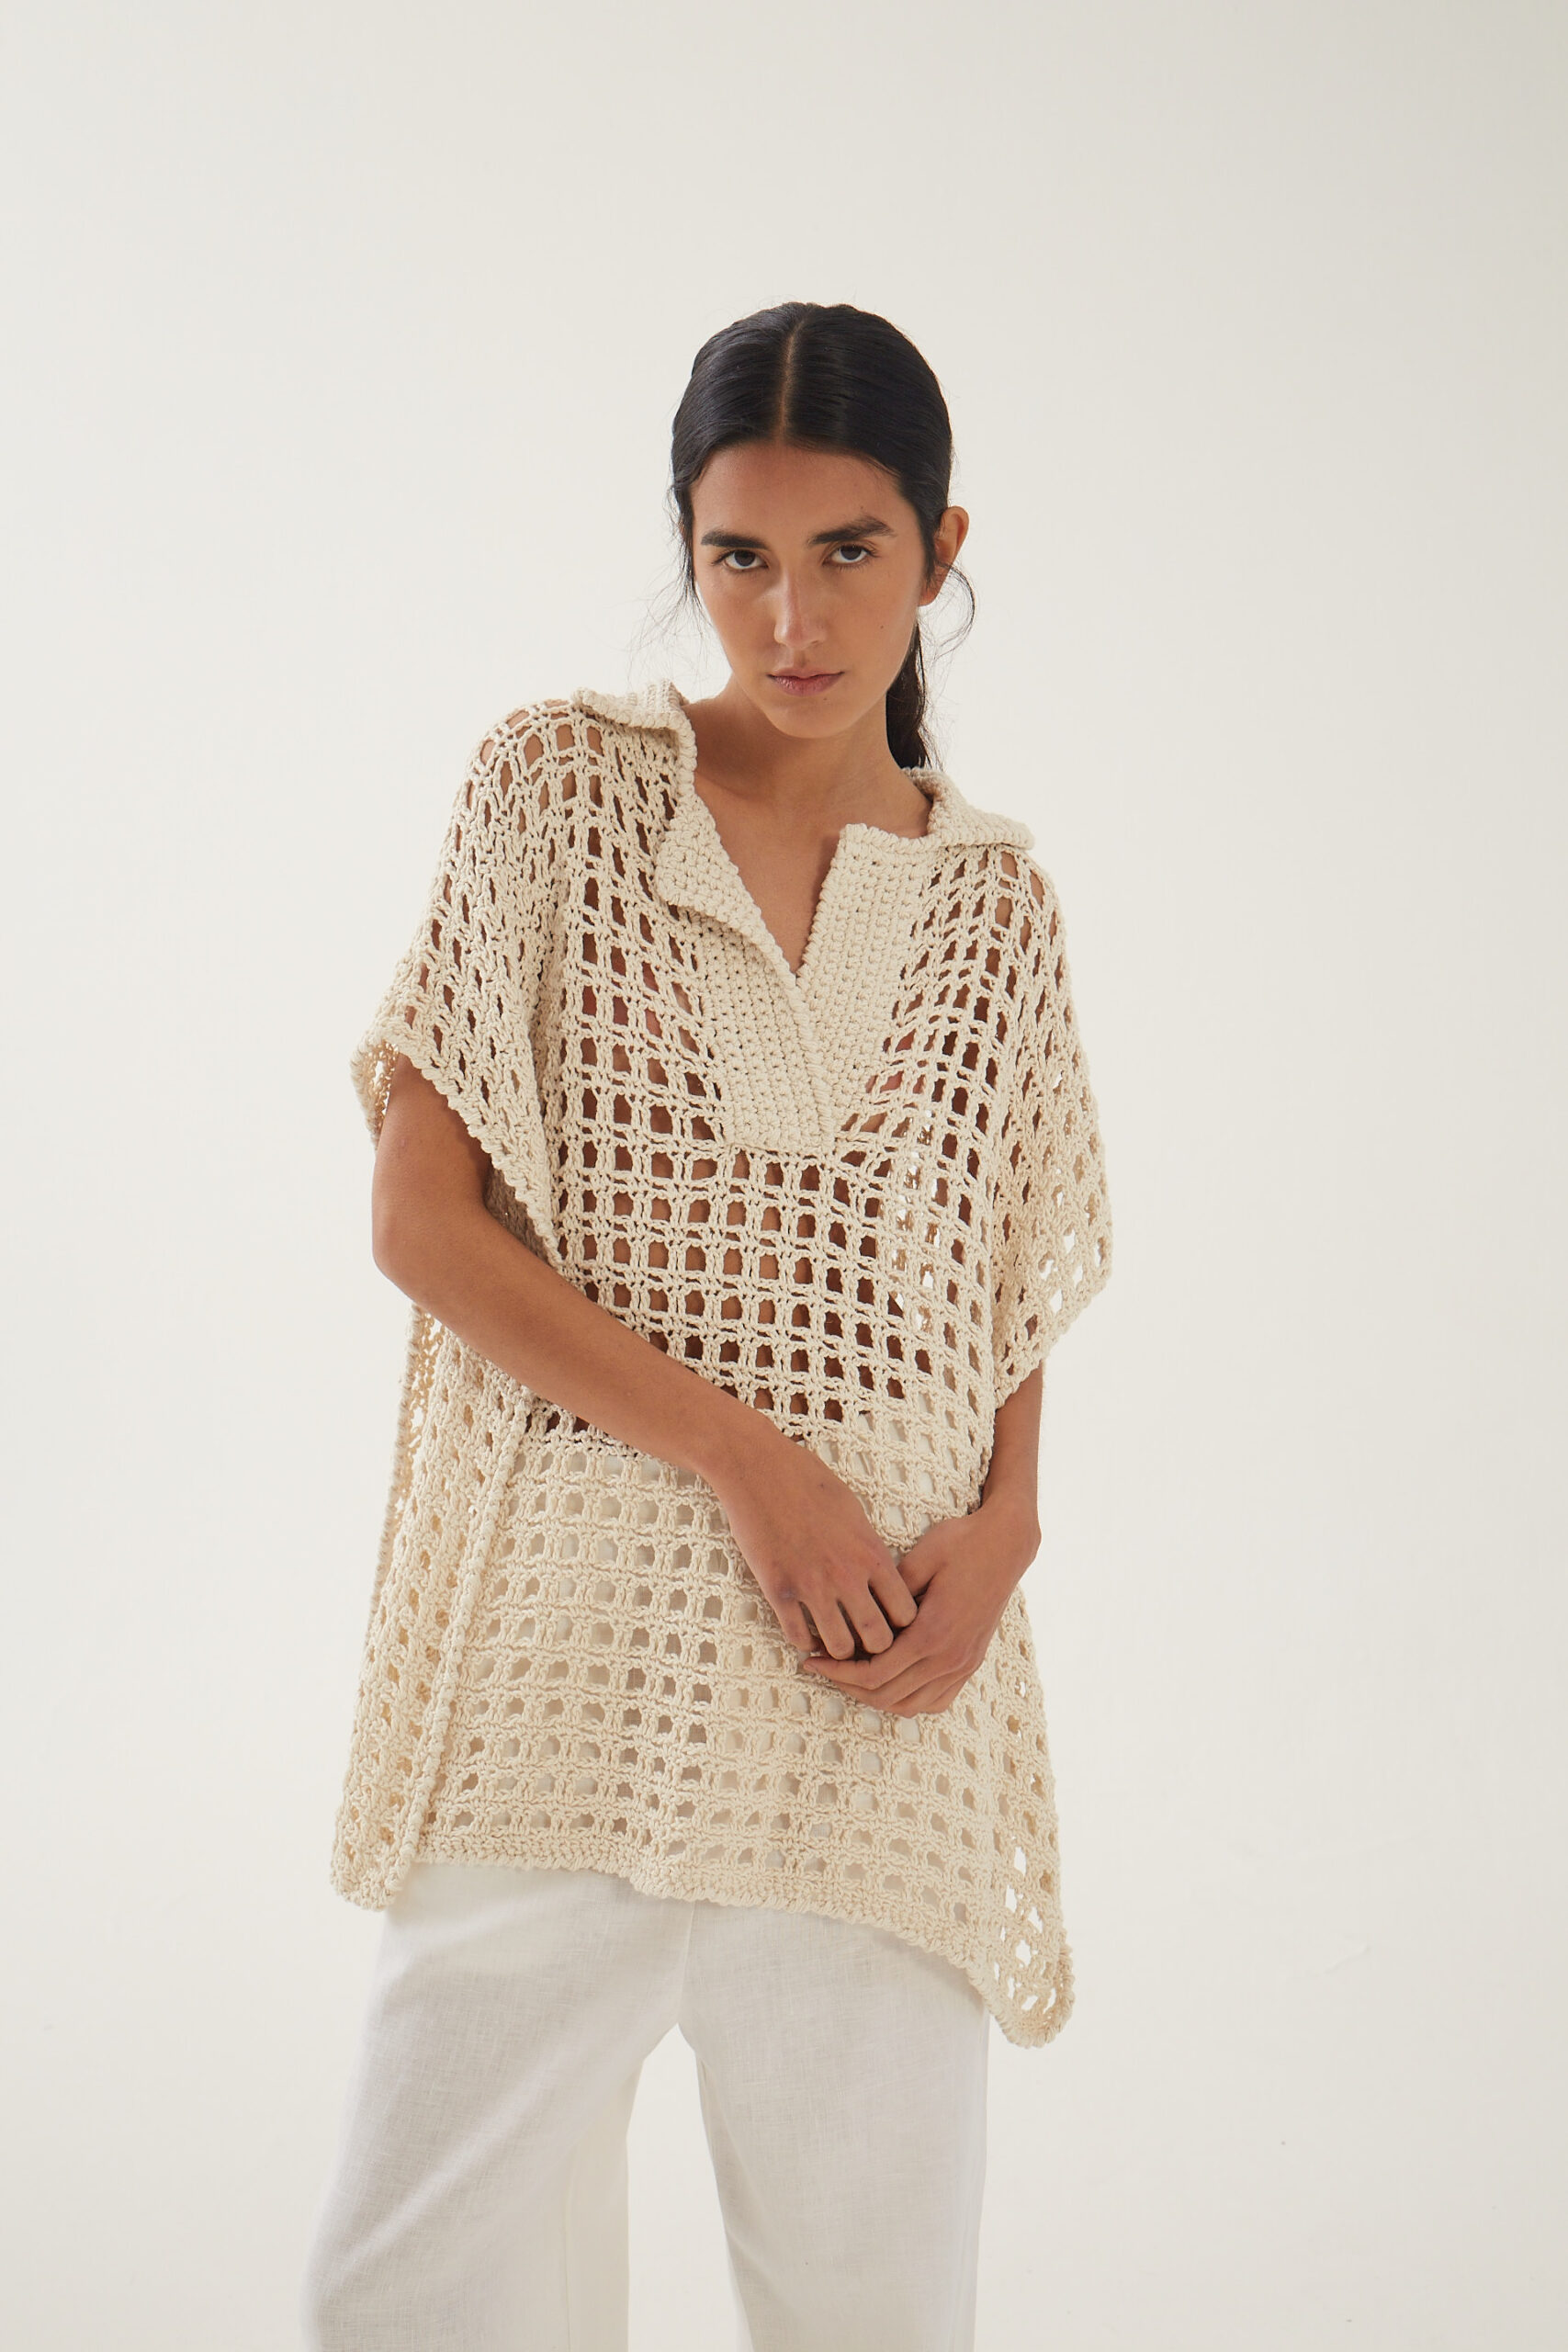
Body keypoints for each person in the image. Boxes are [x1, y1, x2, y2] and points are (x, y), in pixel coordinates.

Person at [300, 300, 1113, 2352]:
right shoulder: (560, 792)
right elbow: (420, 1219)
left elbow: (1006, 1274)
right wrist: (749, 1458)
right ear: (686, 539)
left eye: (848, 550)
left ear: (938, 549)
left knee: (867, 2314)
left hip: (875, 1710)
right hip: (565, 1684)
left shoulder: (995, 907)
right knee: (408, 2298)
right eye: (737, 553)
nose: (789, 616)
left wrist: (1010, 1523)